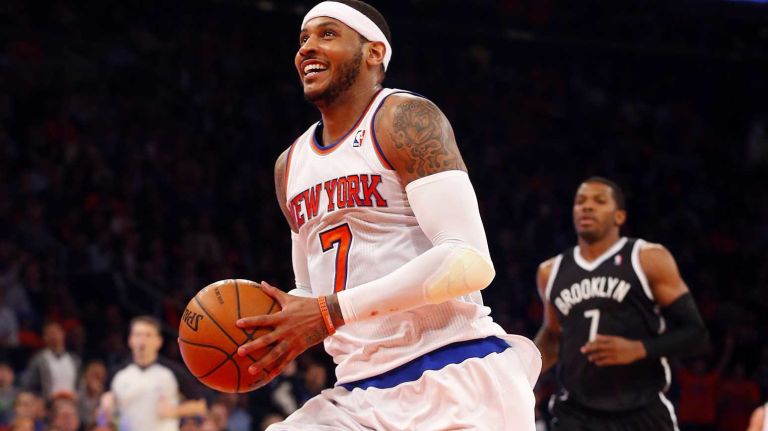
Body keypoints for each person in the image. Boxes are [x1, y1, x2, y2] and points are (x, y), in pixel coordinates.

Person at [235, 1, 541, 429]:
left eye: (327, 34)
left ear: (374, 52)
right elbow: (311, 288)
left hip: (453, 372)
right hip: (358, 392)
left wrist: (330, 311)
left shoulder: (403, 119)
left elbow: (468, 260)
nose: (306, 48)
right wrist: (274, 329)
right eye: (303, 39)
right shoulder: (289, 165)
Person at [534, 177, 710, 430]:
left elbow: (697, 335)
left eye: (599, 201)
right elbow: (552, 336)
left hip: (641, 411)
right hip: (575, 413)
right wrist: (521, 371)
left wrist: (640, 349)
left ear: (619, 217)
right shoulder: (550, 272)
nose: (587, 206)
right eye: (580, 201)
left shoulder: (647, 259)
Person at [99, 316, 206, 431]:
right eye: (138, 335)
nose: (142, 340)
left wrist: (174, 410)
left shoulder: (172, 371)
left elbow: (201, 406)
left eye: (148, 335)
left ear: (158, 341)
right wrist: (105, 410)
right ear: (130, 340)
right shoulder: (118, 373)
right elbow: (102, 417)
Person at [21, 321, 79, 400]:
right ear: (44, 337)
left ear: (63, 334)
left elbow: (78, 384)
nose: (54, 336)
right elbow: (30, 386)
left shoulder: (74, 359)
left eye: (56, 332)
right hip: (48, 405)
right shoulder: (38, 360)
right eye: (50, 333)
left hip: (71, 405)